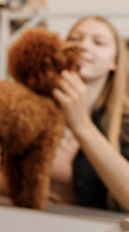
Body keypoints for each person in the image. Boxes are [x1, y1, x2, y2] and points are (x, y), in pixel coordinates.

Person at [50, 16, 129, 211]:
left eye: (99, 42)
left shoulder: (125, 126)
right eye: (75, 39)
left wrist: (81, 125)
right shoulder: (36, 111)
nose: (83, 46)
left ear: (115, 62)